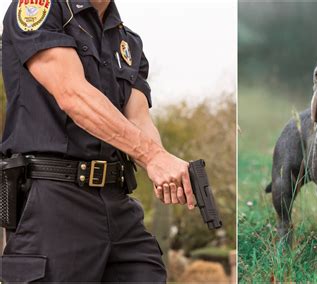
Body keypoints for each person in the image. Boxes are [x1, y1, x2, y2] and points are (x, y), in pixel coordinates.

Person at [0, 0, 195, 282]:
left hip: (117, 200)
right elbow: (73, 95)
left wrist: (165, 167)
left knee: (148, 271)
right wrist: (153, 157)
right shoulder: (39, 9)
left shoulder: (127, 41)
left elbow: (138, 120)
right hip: (53, 199)